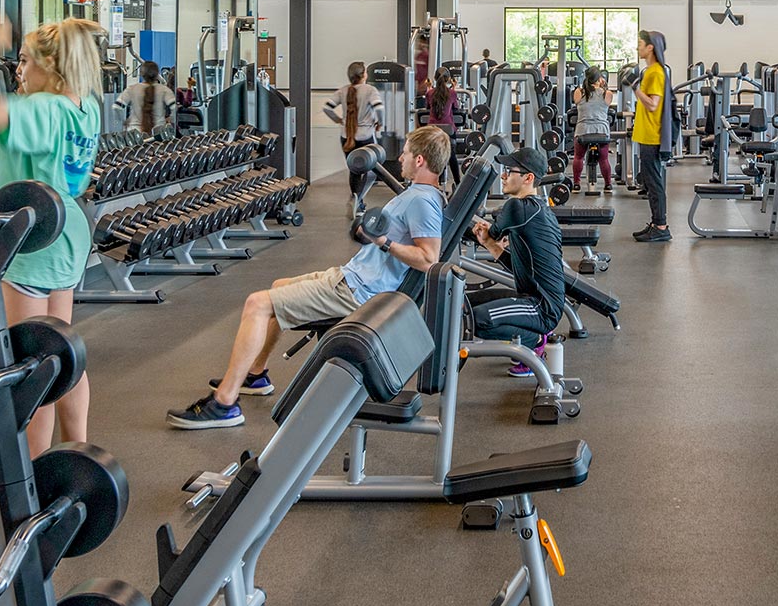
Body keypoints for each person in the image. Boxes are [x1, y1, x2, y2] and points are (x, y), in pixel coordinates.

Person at [168, 125, 450, 429]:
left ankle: (225, 403)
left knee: (257, 304)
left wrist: (384, 242)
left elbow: (428, 259)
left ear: (420, 160)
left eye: (406, 152)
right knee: (278, 287)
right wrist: (369, 235)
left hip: (358, 291)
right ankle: (256, 374)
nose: (401, 157)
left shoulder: (422, 200)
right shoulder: (418, 195)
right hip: (352, 277)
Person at [0, 15, 102, 457]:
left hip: (30, 241)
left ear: (52, 67)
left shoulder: (45, 108)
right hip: (64, 237)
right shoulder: (86, 105)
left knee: (34, 363)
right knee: (60, 348)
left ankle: (37, 470)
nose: (18, 71)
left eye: (24, 62)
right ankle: (79, 456)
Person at [468, 147, 567, 377]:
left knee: (476, 320)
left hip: (542, 307)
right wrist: (491, 245)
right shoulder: (537, 210)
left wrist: (487, 234)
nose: (503, 176)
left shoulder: (517, 207)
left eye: (508, 171)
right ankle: (529, 338)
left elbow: (492, 230)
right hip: (534, 299)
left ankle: (534, 340)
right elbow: (521, 268)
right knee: (463, 306)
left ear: (528, 178)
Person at [631, 30, 673, 242]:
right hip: (646, 135)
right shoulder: (649, 71)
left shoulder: (656, 72)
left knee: (654, 183)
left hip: (652, 137)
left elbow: (653, 103)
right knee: (649, 182)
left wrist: (635, 89)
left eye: (640, 44)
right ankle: (656, 223)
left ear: (650, 48)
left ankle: (661, 227)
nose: (638, 47)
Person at [325, 62, 383, 211]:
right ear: (364, 75)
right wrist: (379, 122)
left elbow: (327, 107)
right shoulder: (370, 90)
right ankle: (359, 199)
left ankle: (356, 198)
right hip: (366, 137)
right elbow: (379, 108)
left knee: (354, 170)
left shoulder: (343, 91)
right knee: (371, 170)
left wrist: (338, 120)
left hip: (346, 136)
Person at [572, 68, 615, 194]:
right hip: (601, 130)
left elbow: (576, 102)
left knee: (578, 157)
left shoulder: (579, 92)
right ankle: (608, 185)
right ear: (599, 79)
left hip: (583, 130)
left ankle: (576, 184)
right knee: (604, 159)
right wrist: (604, 86)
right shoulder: (607, 94)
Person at [115, 60, 171, 135]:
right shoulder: (164, 90)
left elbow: (117, 107)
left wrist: (124, 121)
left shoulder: (132, 89)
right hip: (157, 131)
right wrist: (170, 119)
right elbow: (174, 108)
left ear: (141, 74)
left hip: (135, 132)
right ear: (157, 73)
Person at [426, 70, 459, 134]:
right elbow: (455, 107)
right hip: (448, 128)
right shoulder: (452, 93)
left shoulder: (429, 93)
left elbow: (428, 107)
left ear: (435, 78)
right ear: (448, 79)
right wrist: (454, 87)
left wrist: (429, 87)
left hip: (432, 128)